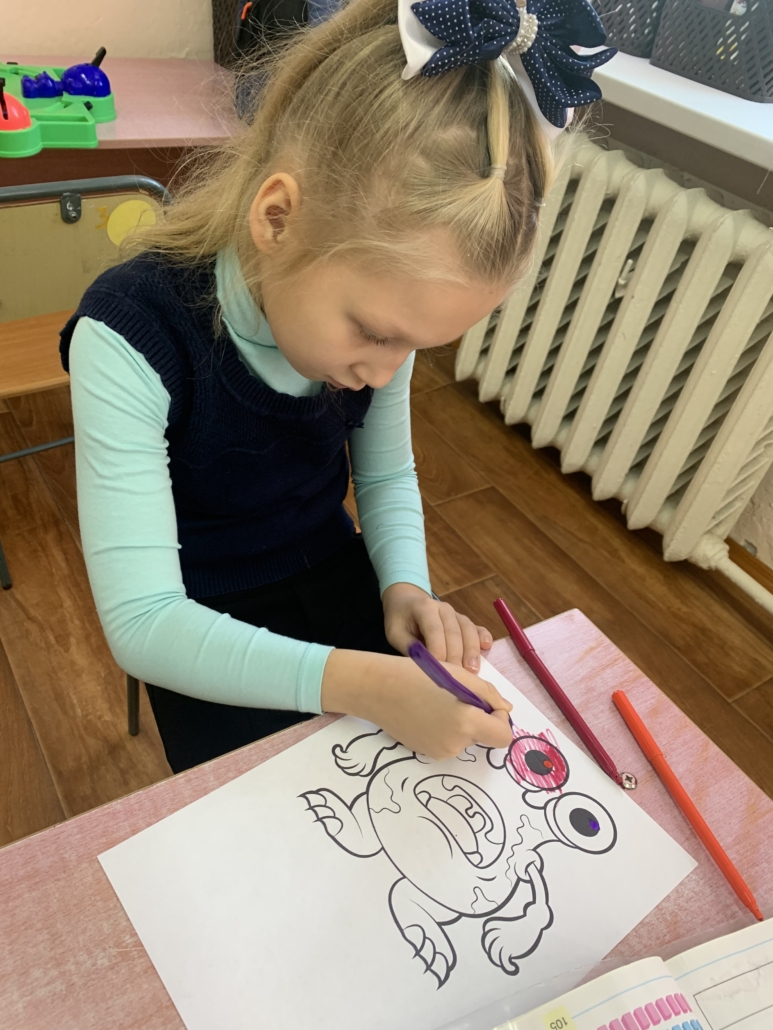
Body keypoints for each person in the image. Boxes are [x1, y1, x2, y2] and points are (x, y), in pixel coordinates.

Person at [60, 0, 615, 774]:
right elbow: (146, 623)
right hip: (198, 620)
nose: (384, 373)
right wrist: (369, 687)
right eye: (375, 334)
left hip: (332, 573)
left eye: (414, 346)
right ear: (277, 218)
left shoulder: (378, 318)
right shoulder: (130, 334)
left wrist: (406, 589)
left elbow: (385, 476)